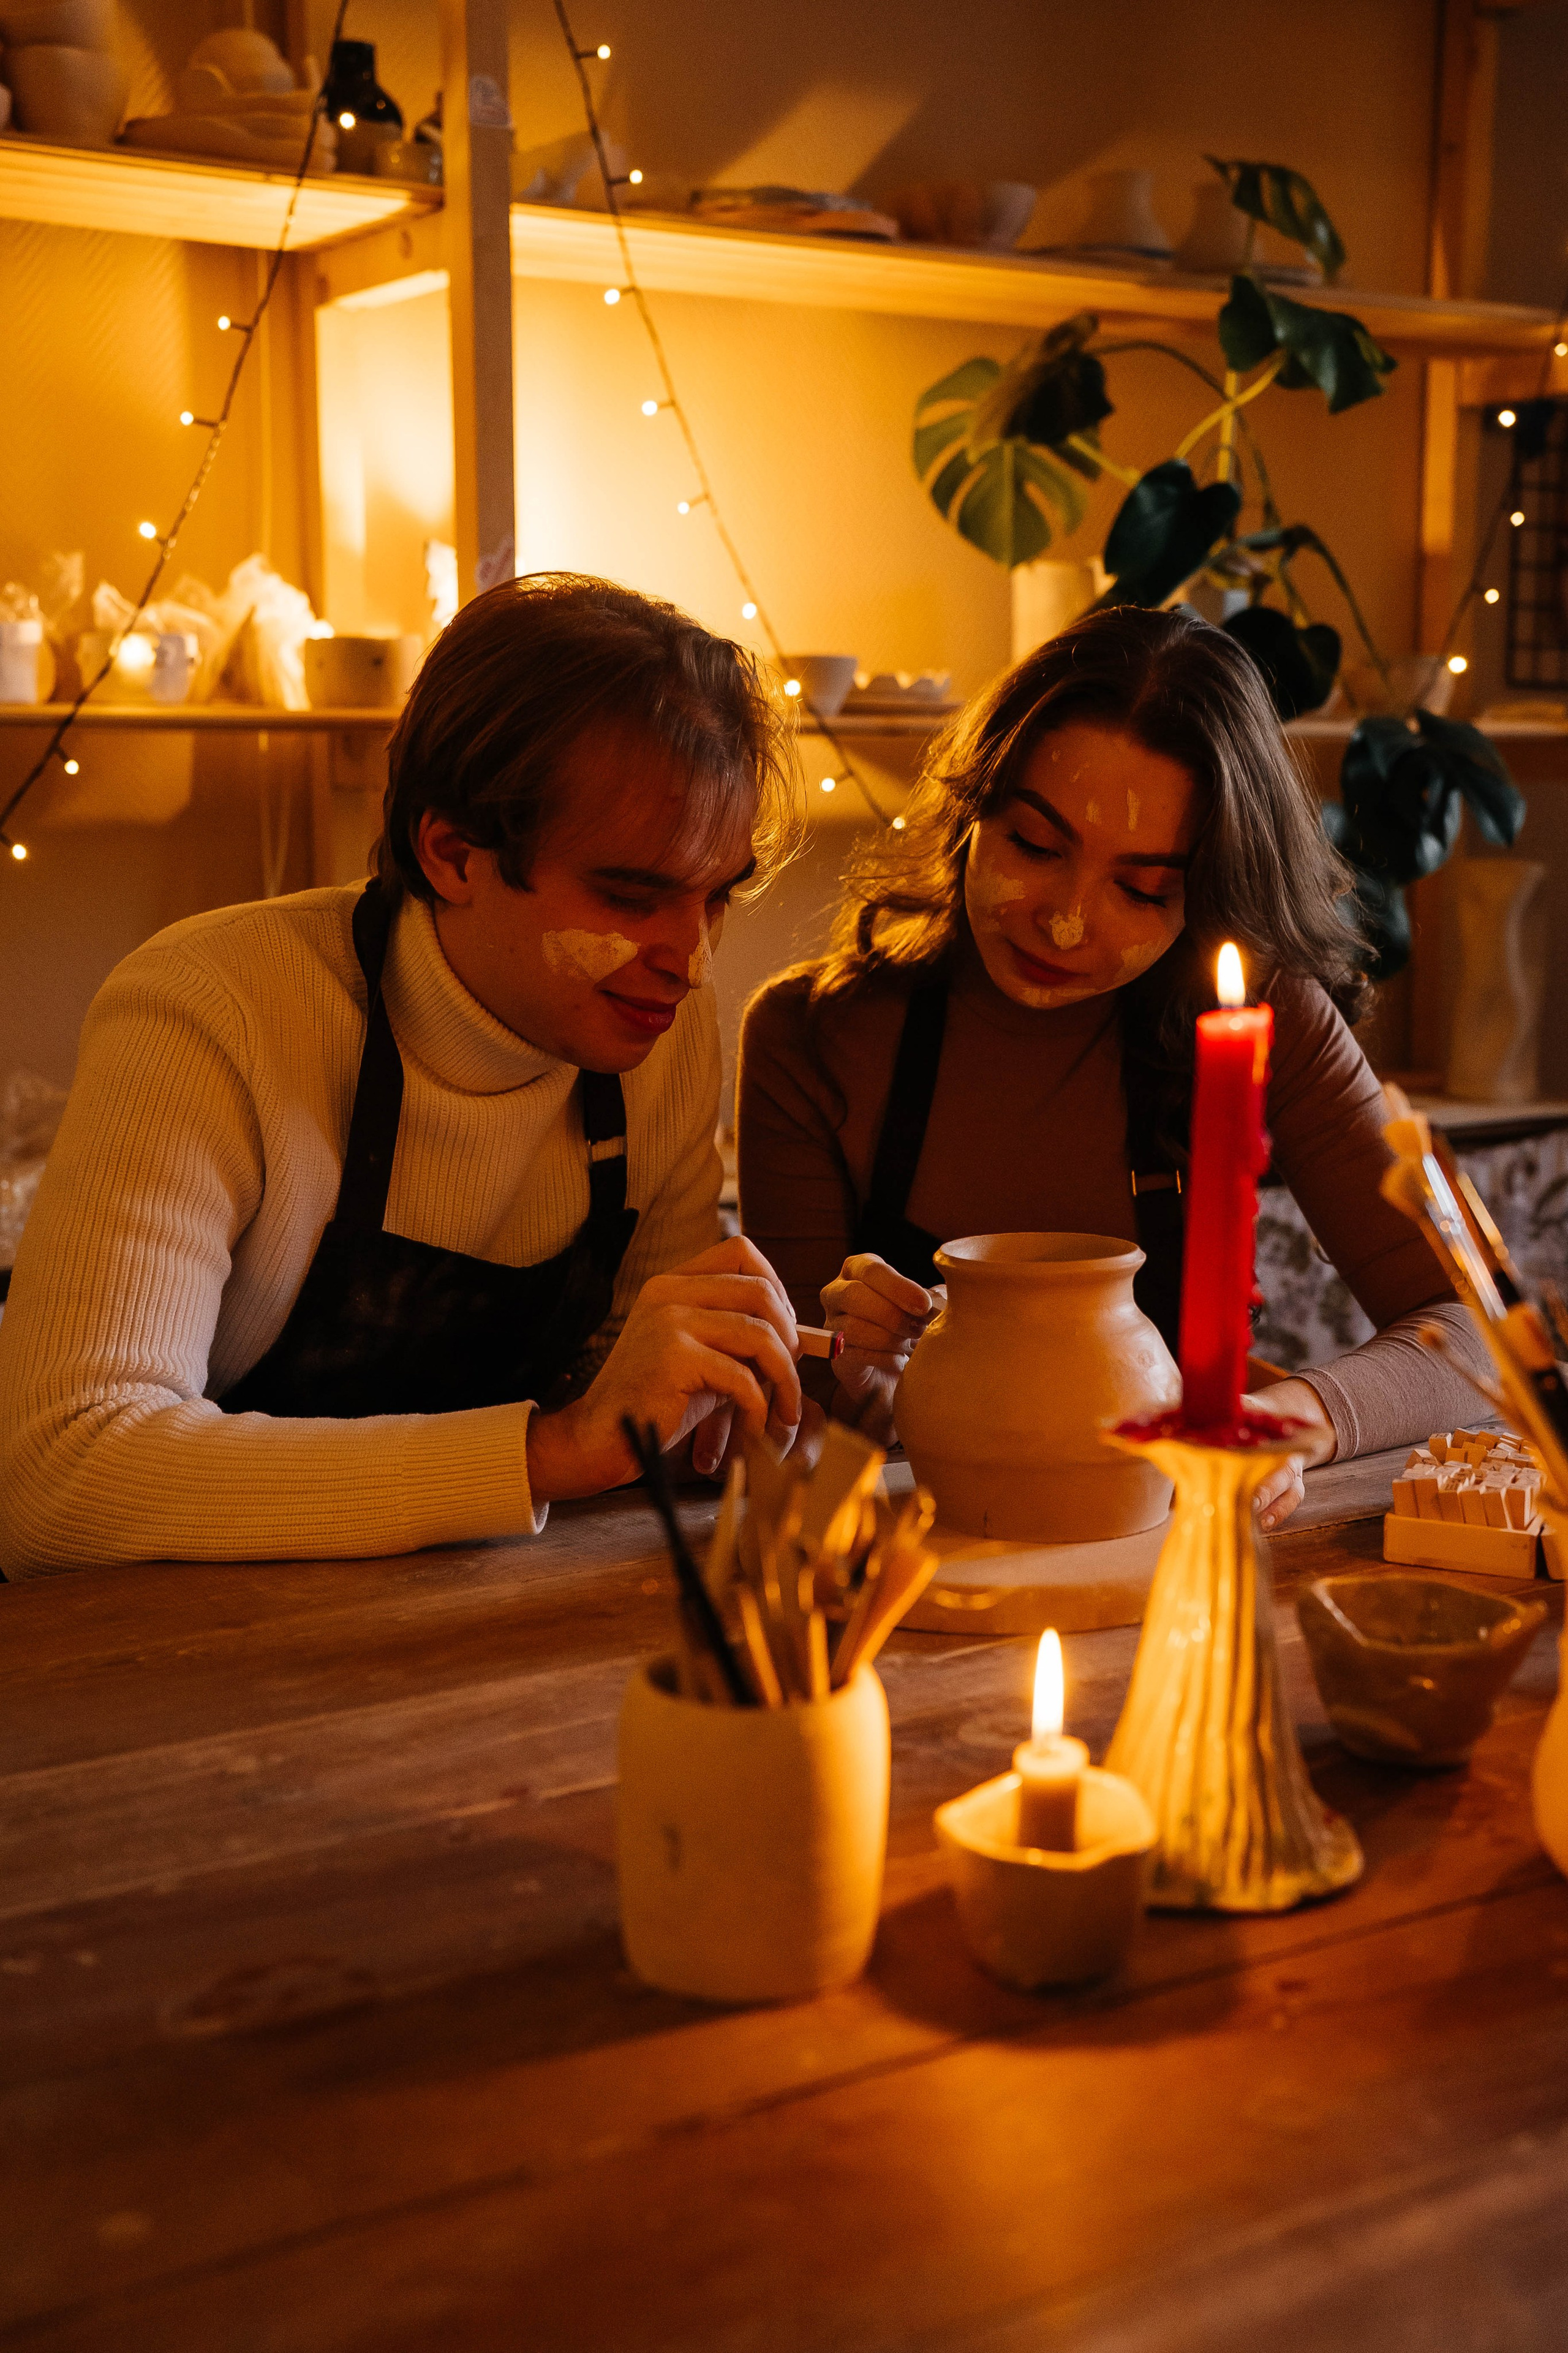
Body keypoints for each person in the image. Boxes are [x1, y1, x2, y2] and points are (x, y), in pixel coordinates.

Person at [0, 574, 812, 1578]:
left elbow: (639, 1421)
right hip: (181, 1664)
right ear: (452, 853)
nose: (690, 961)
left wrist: (772, 1388)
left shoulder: (660, 1038)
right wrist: (542, 1452)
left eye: (715, 897)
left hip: (448, 1647)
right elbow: (57, 1477)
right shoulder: (214, 1012)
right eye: (632, 895)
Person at [737, 603, 1488, 1534]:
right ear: (974, 809)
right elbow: (788, 1433)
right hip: (934, 1581)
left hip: (1172, 1562)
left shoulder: (1260, 1017)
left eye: (1142, 889)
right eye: (1035, 845)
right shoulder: (813, 1038)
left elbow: (1475, 1338)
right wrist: (864, 1384)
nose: (1066, 921)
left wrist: (1295, 1418)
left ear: (1208, 893)